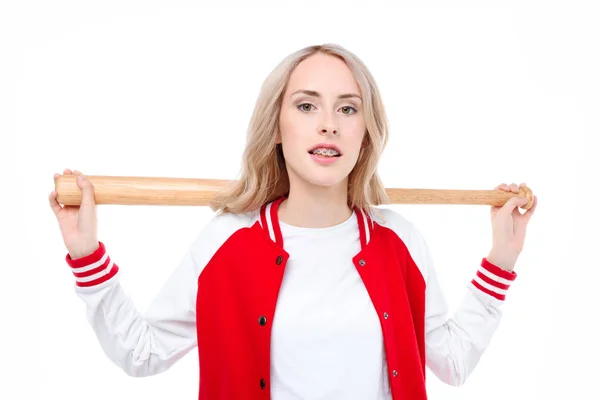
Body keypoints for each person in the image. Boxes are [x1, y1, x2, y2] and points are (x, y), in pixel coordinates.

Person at [49, 44, 537, 400]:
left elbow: (450, 363)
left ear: (364, 135)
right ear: (277, 128)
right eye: (307, 105)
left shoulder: (398, 240)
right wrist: (85, 254)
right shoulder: (228, 241)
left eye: (348, 108)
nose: (329, 123)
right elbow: (144, 353)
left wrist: (502, 261)